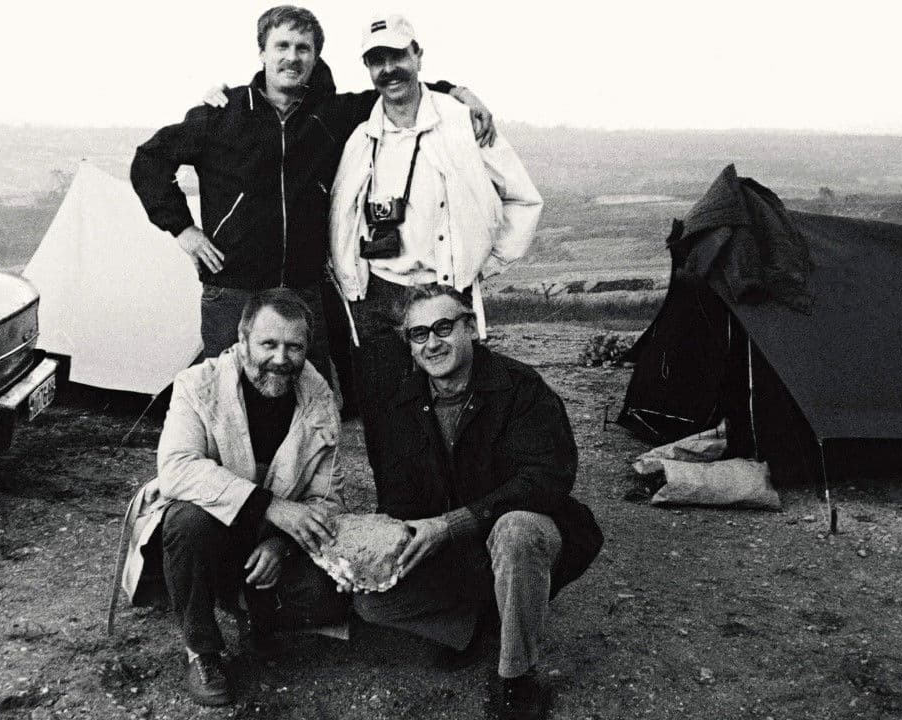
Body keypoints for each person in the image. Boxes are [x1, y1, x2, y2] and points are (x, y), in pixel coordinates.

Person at [130, 5, 495, 383]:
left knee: (311, 395)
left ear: (315, 57)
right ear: (262, 52)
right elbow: (149, 161)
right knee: (227, 391)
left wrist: (459, 93)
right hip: (232, 288)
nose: (292, 57)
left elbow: (398, 91)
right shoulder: (223, 114)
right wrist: (184, 230)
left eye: (303, 48)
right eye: (282, 46)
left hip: (304, 289)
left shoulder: (331, 114)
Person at [349, 284, 601, 720]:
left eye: (444, 328)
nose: (432, 343)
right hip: (453, 552)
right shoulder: (399, 406)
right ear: (409, 344)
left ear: (471, 327)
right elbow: (397, 500)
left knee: (516, 532)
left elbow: (547, 477)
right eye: (419, 334)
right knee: (371, 601)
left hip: (521, 534)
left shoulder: (521, 388)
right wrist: (378, 550)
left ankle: (516, 676)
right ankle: (484, 622)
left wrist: (456, 523)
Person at [328, 14, 543, 481]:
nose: (389, 69)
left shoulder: (461, 122)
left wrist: (483, 264)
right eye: (377, 60)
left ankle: (459, 504)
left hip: (442, 290)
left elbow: (523, 197)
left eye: (397, 56)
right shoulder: (360, 135)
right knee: (386, 413)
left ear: (418, 55)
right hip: (377, 295)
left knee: (454, 406)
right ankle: (397, 506)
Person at [119, 288, 348, 707]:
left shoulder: (320, 399)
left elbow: (328, 500)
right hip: (209, 529)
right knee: (187, 522)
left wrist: (281, 544)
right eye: (268, 344)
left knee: (331, 595)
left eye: (294, 347)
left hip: (267, 538)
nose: (281, 358)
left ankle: (247, 605)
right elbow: (177, 469)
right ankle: (201, 650)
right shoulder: (197, 384)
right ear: (243, 341)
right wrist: (271, 507)